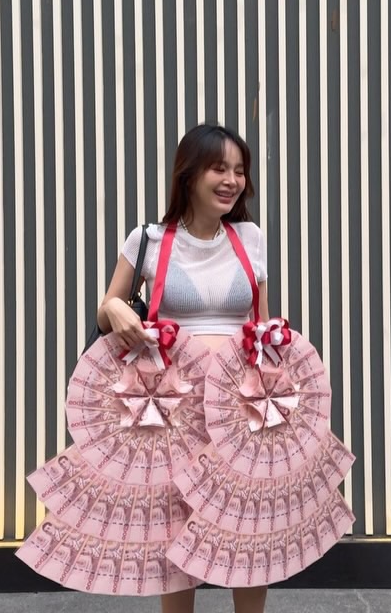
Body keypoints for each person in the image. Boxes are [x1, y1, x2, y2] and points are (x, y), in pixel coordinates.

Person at [96, 123, 269, 613]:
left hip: (239, 404)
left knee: (247, 523)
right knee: (174, 523)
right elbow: (108, 307)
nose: (231, 180)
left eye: (239, 170)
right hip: (173, 404)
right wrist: (115, 308)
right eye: (219, 168)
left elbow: (262, 324)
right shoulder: (148, 239)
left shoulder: (250, 237)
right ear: (189, 174)